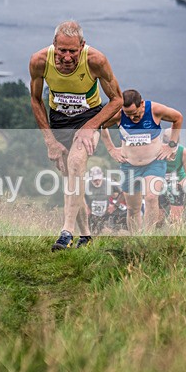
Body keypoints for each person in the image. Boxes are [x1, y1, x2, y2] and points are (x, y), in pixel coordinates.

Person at [29, 20, 123, 250]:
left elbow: (117, 100)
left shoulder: (96, 61)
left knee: (76, 164)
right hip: (59, 121)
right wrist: (49, 140)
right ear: (54, 45)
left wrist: (92, 125)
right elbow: (35, 99)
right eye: (62, 50)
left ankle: (66, 232)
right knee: (73, 179)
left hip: (89, 118)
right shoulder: (40, 61)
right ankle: (86, 235)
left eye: (73, 51)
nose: (67, 57)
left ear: (82, 45)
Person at [100, 89, 183, 232]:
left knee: (151, 197)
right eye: (128, 115)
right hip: (129, 166)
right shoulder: (118, 115)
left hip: (154, 162)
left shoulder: (155, 110)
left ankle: (148, 237)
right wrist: (111, 149)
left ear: (142, 104)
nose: (132, 118)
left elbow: (178, 118)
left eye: (135, 113)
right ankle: (136, 240)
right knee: (133, 208)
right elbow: (101, 125)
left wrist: (172, 146)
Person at [160, 128, 186, 223]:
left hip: (178, 182)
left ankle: (175, 235)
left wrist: (179, 185)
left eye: (171, 146)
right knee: (158, 219)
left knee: (175, 220)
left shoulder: (183, 152)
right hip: (159, 183)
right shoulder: (157, 150)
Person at [84, 166, 111, 234]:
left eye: (99, 179)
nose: (97, 182)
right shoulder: (86, 183)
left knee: (105, 231)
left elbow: (122, 192)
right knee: (90, 232)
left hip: (106, 212)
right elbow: (80, 196)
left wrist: (114, 205)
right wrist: (85, 207)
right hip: (90, 213)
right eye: (95, 180)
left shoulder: (108, 182)